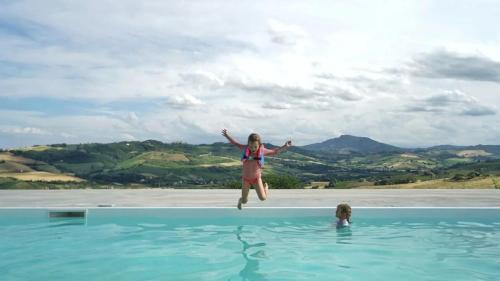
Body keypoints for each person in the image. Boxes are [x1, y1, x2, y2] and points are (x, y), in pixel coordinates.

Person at [221, 128, 292, 209]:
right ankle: (240, 200)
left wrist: (285, 146)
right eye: (251, 146)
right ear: (248, 144)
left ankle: (265, 188)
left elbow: (274, 152)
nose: (253, 149)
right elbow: (235, 143)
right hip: (246, 179)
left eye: (255, 147)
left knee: (263, 198)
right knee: (244, 201)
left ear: (259, 145)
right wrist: (227, 135)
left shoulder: (262, 151)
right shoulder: (245, 149)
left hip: (256, 178)